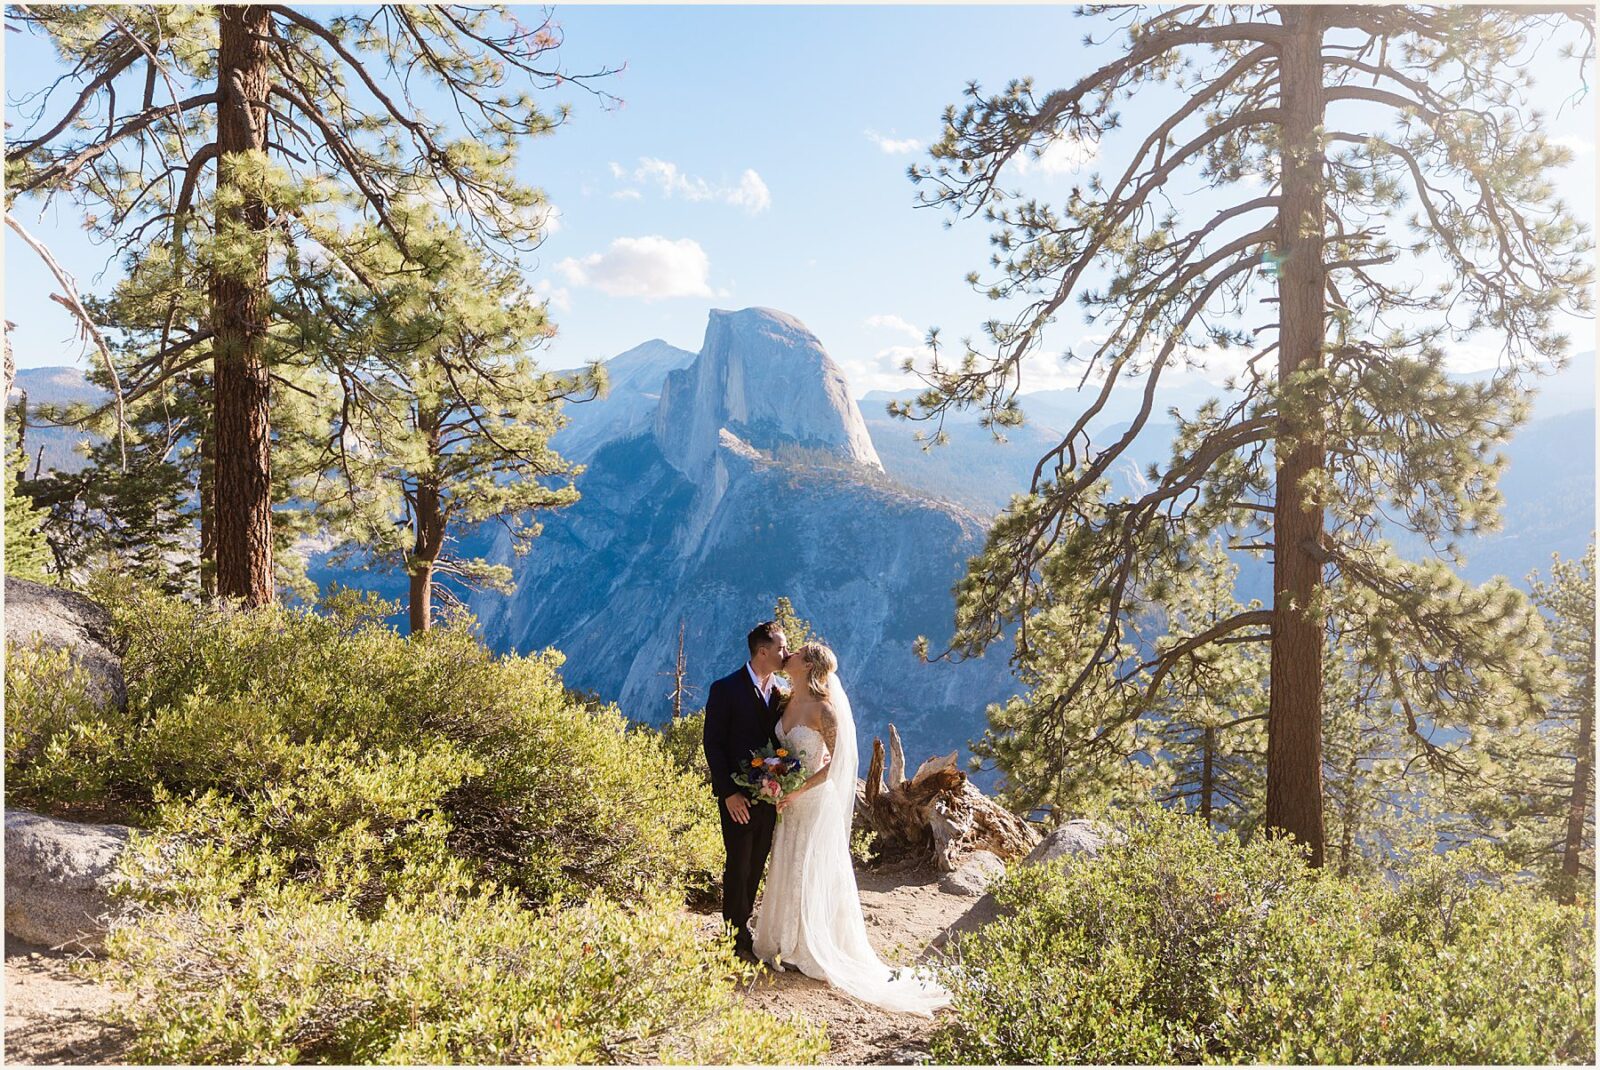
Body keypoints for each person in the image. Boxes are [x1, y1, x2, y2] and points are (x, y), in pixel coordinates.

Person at [753, 640, 951, 1016]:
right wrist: (775, 779)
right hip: (789, 802)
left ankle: (808, 946)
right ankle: (783, 939)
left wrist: (799, 789)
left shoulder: (825, 710)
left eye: (796, 653)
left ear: (809, 665)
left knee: (809, 866)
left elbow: (839, 763)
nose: (788, 654)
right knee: (788, 860)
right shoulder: (785, 700)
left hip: (809, 801)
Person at [701, 620, 788, 963]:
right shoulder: (725, 689)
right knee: (737, 863)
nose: (786, 653)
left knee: (757, 863)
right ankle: (731, 936)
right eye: (781, 648)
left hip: (770, 793)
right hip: (737, 795)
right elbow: (714, 743)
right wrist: (728, 793)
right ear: (762, 652)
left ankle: (744, 927)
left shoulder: (780, 691)